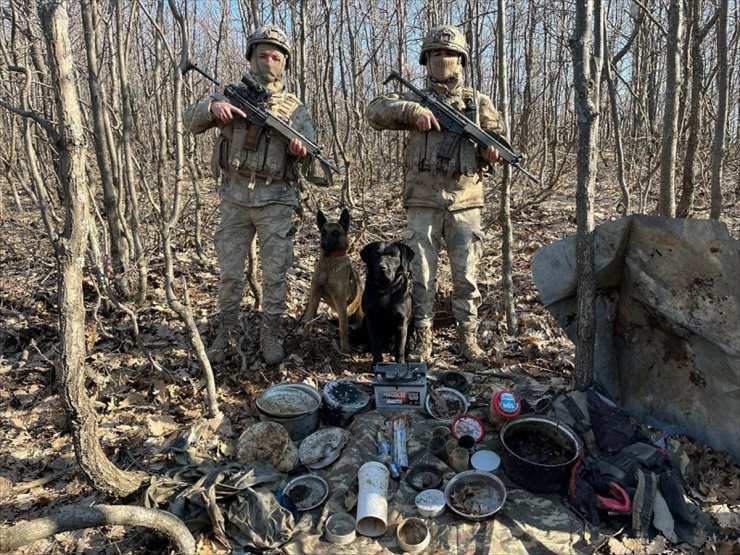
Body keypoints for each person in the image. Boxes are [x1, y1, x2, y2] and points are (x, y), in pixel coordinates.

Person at [366, 25, 509, 365]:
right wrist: (412, 113)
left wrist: (494, 152)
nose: (443, 61)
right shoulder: (414, 100)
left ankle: (467, 337)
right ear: (426, 61)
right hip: (422, 202)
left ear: (462, 61)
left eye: (450, 56)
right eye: (435, 56)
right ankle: (421, 337)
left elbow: (500, 139)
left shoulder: (478, 102)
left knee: (466, 276)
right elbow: (374, 112)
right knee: (422, 277)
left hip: (466, 201)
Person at [184, 25, 315, 365]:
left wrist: (302, 151)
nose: (268, 61)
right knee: (229, 272)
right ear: (251, 57)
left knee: (276, 273)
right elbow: (190, 122)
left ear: (284, 62)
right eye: (262, 55)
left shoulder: (294, 109)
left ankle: (270, 331)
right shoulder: (229, 96)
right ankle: (226, 331)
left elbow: (316, 164)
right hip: (236, 198)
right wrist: (211, 108)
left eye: (275, 56)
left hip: (276, 200)